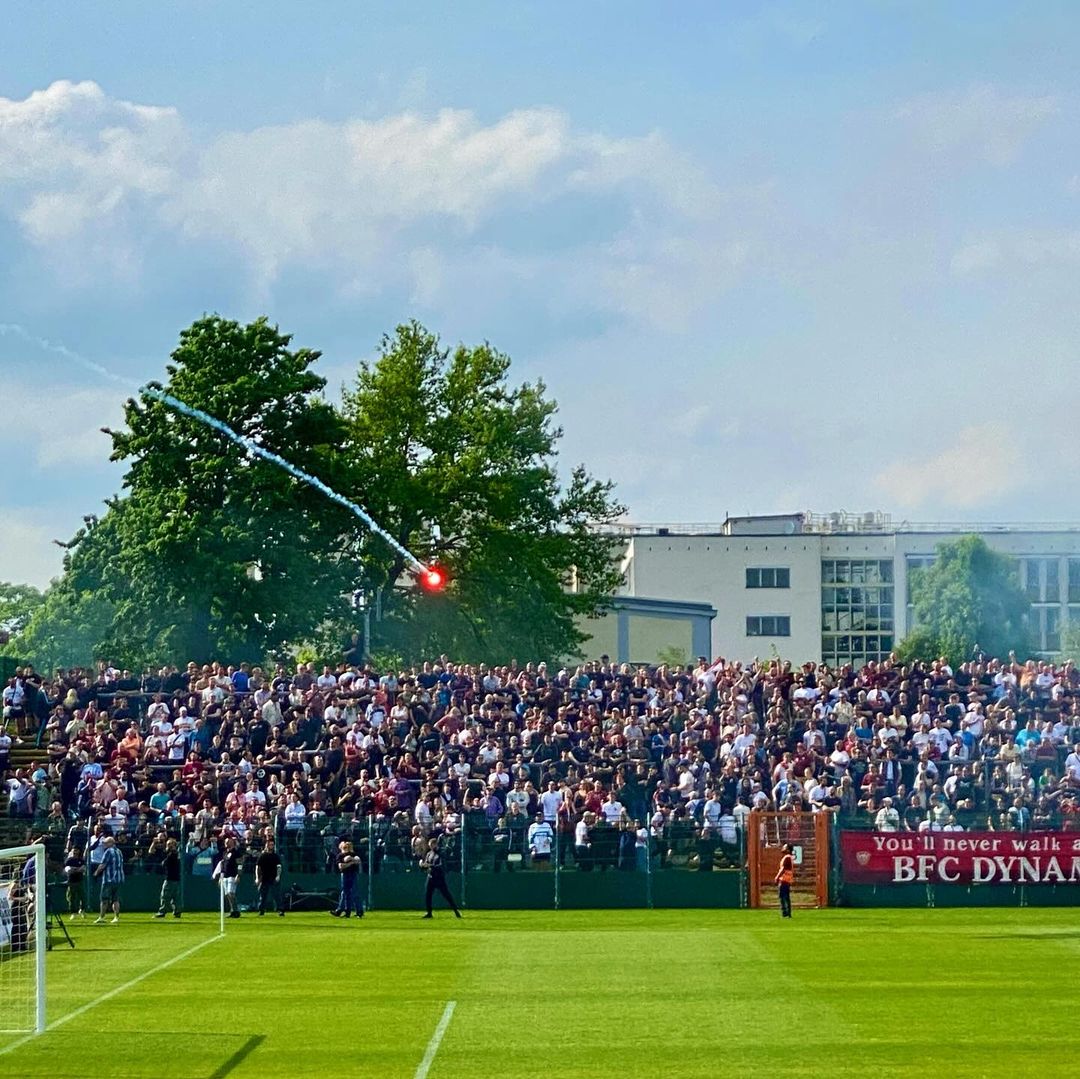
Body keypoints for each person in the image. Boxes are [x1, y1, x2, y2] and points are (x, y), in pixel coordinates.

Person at [420, 837, 461, 919]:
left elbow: (441, 866)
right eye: (430, 846)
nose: (431, 847)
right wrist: (422, 865)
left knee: (446, 895)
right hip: (430, 877)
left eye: (432, 845)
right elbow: (426, 864)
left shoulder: (441, 853)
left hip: (439, 878)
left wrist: (430, 866)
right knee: (428, 895)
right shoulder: (429, 854)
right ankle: (429, 913)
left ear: (435, 844)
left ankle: (456, 911)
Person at [94, 835, 125, 924]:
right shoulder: (119, 851)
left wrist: (96, 873)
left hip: (109, 879)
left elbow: (103, 865)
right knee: (116, 899)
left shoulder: (108, 851)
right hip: (119, 879)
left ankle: (102, 917)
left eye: (106, 843)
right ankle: (116, 917)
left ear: (111, 843)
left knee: (104, 899)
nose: (104, 845)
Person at [330, 839, 364, 918]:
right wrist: (351, 862)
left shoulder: (354, 854)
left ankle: (359, 911)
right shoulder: (340, 856)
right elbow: (341, 866)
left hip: (353, 874)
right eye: (345, 846)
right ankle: (344, 910)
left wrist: (351, 861)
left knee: (354, 892)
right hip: (345, 874)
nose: (347, 847)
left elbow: (358, 861)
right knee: (345, 893)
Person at [153, 838, 182, 918]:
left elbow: (164, 863)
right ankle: (177, 911)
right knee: (175, 897)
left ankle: (162, 911)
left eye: (169, 844)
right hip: (176, 878)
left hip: (170, 878)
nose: (168, 846)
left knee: (165, 896)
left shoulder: (172, 854)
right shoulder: (177, 854)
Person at [255, 838, 285, 916]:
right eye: (269, 844)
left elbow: (279, 867)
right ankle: (261, 910)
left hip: (273, 878)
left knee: (276, 895)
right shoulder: (262, 856)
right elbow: (257, 867)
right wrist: (257, 878)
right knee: (263, 896)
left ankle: (280, 910)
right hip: (264, 878)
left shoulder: (275, 856)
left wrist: (278, 876)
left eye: (272, 845)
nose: (270, 846)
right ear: (266, 845)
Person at [216, 836, 242, 918]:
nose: (227, 843)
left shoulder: (236, 853)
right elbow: (223, 865)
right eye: (226, 842)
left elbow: (240, 864)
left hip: (232, 875)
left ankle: (236, 910)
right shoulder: (225, 853)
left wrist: (238, 875)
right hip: (225, 876)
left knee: (231, 893)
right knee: (227, 894)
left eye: (229, 842)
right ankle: (233, 910)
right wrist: (221, 876)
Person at [63, 845, 86, 917]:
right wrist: (77, 869)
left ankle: (82, 910)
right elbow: (68, 870)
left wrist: (75, 869)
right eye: (73, 850)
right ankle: (73, 912)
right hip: (71, 881)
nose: (74, 851)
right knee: (71, 897)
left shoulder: (81, 860)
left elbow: (83, 869)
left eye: (76, 850)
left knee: (82, 896)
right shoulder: (69, 860)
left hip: (80, 880)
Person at [774, 843, 794, 919]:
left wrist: (777, 877)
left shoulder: (787, 857)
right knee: (786, 896)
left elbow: (783, 869)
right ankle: (788, 913)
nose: (783, 848)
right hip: (787, 879)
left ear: (788, 850)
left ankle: (785, 912)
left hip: (784, 879)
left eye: (784, 847)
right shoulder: (789, 857)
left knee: (782, 896)